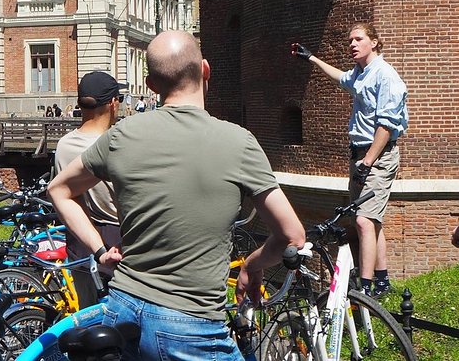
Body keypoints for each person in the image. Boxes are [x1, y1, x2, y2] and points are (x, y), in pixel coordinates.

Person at [49, 31, 305, 360]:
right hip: (191, 325)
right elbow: (293, 235)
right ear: (206, 70)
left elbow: (59, 190)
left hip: (122, 310)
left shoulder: (122, 135)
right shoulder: (238, 142)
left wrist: (99, 250)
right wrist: (252, 266)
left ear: (151, 85)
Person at [292, 21, 408, 298]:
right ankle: (381, 281)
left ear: (375, 42)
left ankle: (364, 291)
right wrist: (311, 58)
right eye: (350, 41)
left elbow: (387, 125)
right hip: (360, 156)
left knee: (364, 222)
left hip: (376, 156)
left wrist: (367, 161)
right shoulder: (360, 73)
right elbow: (341, 78)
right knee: (370, 220)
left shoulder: (385, 75)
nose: (352, 45)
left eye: (358, 39)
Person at [54, 71, 124, 308]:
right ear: (113, 103)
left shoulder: (64, 145)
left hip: (79, 242)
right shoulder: (115, 145)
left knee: (87, 315)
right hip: (116, 240)